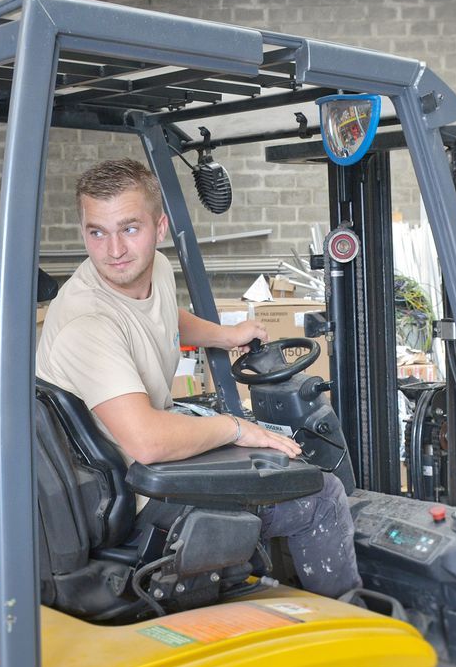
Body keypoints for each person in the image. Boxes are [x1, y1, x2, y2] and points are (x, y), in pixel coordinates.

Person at [36, 159, 361, 599]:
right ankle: (349, 620)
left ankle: (261, 578)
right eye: (97, 232)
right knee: (321, 494)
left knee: (255, 453)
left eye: (129, 229)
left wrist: (227, 336)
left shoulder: (154, 273)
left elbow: (167, 317)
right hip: (141, 502)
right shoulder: (88, 322)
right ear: (84, 232)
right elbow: (147, 441)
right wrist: (239, 428)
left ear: (160, 227)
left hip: (139, 473)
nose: (113, 250)